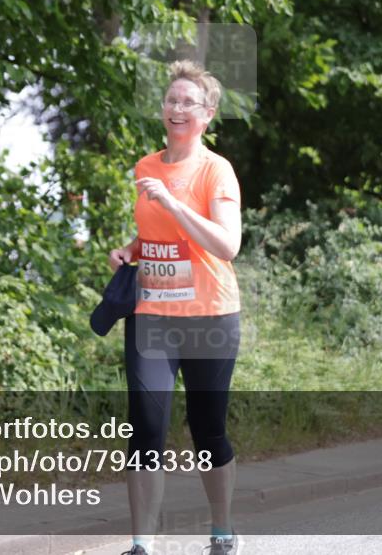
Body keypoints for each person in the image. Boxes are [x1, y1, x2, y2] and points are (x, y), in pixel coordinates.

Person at [109, 60, 242, 555]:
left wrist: (172, 203)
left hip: (210, 317)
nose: (177, 108)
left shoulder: (215, 170)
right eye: (171, 100)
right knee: (144, 427)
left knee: (207, 431)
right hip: (153, 317)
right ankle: (142, 544)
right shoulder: (146, 166)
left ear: (207, 114)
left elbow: (227, 245)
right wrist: (132, 250)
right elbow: (155, 232)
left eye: (188, 102)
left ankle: (223, 530)